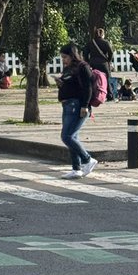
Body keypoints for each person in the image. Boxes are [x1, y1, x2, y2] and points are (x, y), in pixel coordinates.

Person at [57, 42, 97, 179]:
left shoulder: (82, 67)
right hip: (67, 105)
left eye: (65, 57)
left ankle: (87, 159)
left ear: (72, 55)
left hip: (77, 105)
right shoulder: (68, 68)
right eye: (62, 58)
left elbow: (88, 88)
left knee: (66, 136)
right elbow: (70, 85)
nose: (64, 60)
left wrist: (85, 106)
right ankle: (76, 168)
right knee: (73, 136)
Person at [83, 28, 115, 100]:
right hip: (103, 64)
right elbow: (111, 53)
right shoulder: (106, 42)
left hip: (93, 63)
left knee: (93, 80)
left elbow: (85, 53)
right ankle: (109, 95)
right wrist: (108, 61)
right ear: (103, 34)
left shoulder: (90, 43)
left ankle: (93, 95)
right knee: (107, 79)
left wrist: (88, 61)